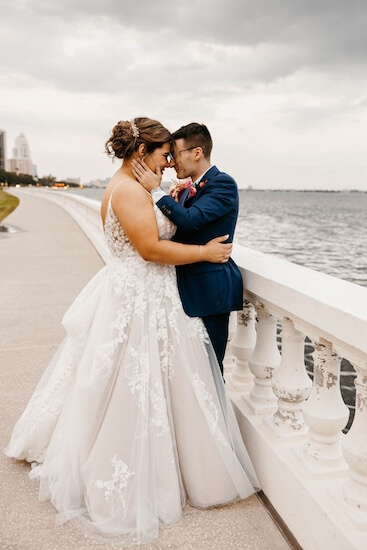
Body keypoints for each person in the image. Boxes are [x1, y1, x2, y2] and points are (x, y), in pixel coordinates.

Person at [5, 117, 259, 547]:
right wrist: (203, 251)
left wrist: (165, 195)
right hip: (140, 294)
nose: (167, 166)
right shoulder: (127, 190)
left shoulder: (134, 188)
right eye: (163, 157)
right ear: (143, 154)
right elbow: (150, 248)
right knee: (129, 384)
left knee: (153, 383)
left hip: (148, 293)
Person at [132, 122, 243, 374]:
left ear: (196, 153)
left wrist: (155, 191)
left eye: (176, 154)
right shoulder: (187, 188)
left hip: (208, 291)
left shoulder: (223, 184)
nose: (171, 162)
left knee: (210, 369)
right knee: (188, 372)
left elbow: (192, 221)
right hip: (181, 288)